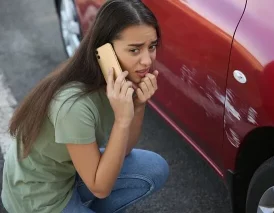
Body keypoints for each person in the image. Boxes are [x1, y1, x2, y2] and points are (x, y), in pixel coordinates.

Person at [1, 0, 169, 212]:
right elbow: (100, 188)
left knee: (155, 168)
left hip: (71, 173)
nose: (147, 60)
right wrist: (122, 120)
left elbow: (124, 150)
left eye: (151, 46)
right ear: (105, 51)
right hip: (40, 196)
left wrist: (138, 106)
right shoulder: (74, 104)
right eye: (135, 50)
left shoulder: (117, 82)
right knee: (102, 183)